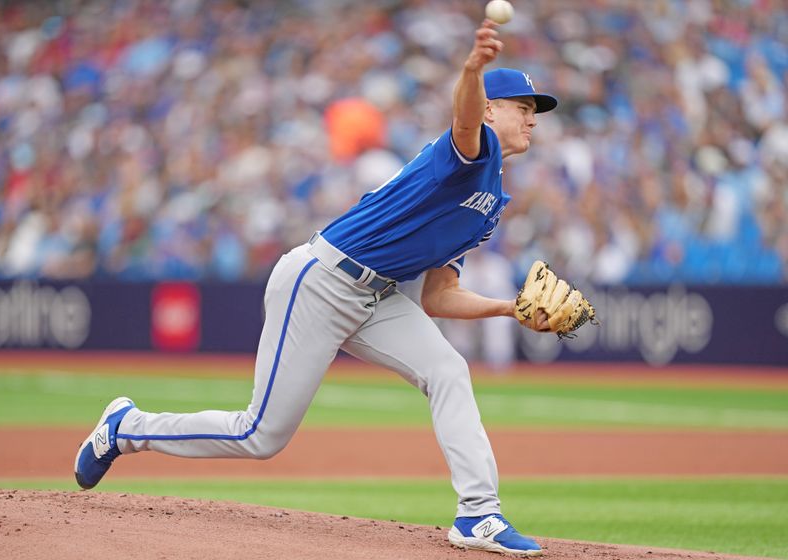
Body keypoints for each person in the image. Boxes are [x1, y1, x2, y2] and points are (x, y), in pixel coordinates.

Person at [75, 20, 558, 557]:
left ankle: (478, 515)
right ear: (492, 110)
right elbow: (465, 119)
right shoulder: (474, 148)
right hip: (323, 280)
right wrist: (472, 69)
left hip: (380, 297)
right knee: (261, 434)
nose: (533, 118)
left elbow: (437, 296)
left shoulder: (489, 206)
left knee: (448, 371)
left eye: (534, 111)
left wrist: (510, 308)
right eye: (523, 106)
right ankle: (126, 427)